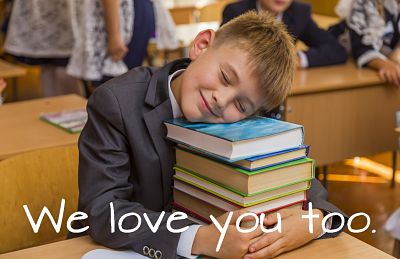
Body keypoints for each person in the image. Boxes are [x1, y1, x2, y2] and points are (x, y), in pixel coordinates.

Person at [76, 11, 346, 259]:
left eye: (241, 105)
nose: (222, 100)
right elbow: (104, 209)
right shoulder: (116, 102)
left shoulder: (244, 122)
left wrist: (314, 221)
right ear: (202, 45)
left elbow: (307, 190)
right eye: (226, 77)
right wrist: (199, 239)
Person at [221, 0, 348, 68]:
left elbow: (336, 50)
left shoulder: (300, 12)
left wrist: (296, 59)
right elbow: (223, 51)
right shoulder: (235, 11)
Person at [4, 0, 84, 97]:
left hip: (67, 16)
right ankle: (52, 108)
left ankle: (74, 110)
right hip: (40, 13)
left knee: (65, 70)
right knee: (47, 68)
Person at [332, 0, 400, 87]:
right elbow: (362, 48)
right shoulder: (363, 2)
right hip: (342, 57)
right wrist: (385, 64)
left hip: (381, 54)